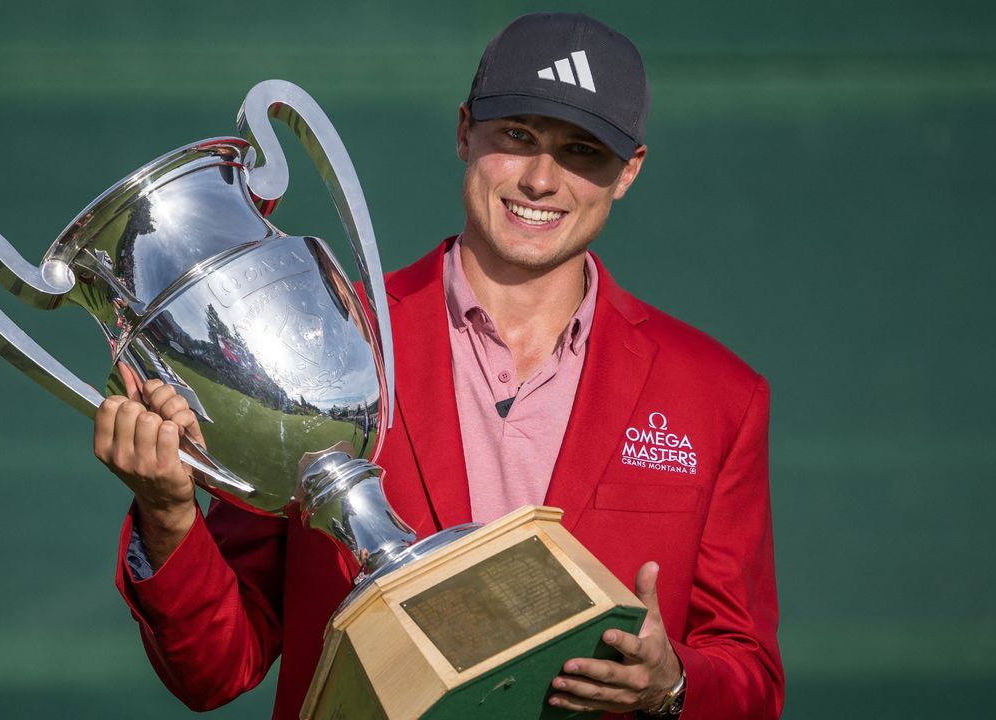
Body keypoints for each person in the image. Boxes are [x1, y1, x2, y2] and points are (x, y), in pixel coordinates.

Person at [93, 12, 782, 719]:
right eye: (517, 136)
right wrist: (169, 514)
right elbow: (216, 669)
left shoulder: (717, 395)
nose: (542, 178)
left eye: (582, 151)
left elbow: (750, 672)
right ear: (464, 132)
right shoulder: (315, 342)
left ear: (628, 171)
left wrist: (672, 683)